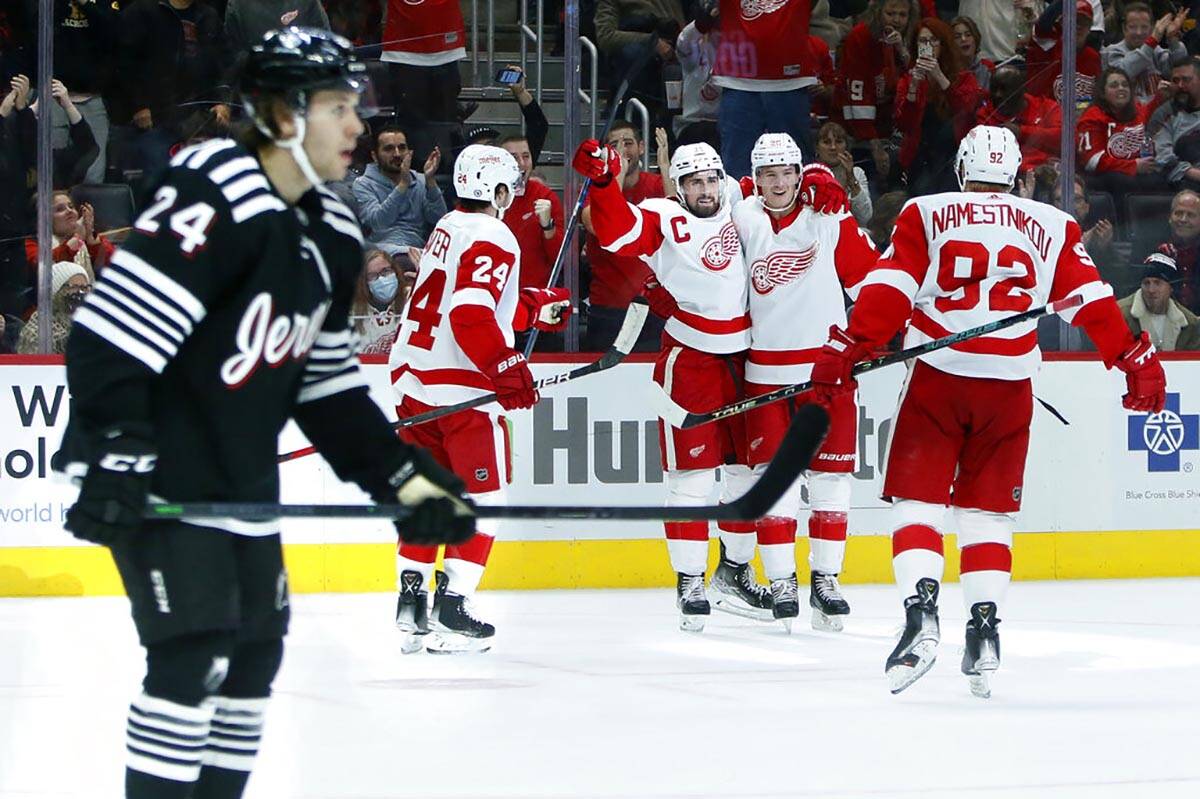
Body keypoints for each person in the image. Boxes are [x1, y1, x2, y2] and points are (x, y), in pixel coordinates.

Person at [53, 29, 475, 798]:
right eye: (340, 109)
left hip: (240, 482)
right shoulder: (219, 184)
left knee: (251, 659)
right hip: (160, 468)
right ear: (283, 113)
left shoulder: (333, 228)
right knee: (192, 654)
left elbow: (328, 389)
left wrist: (402, 477)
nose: (357, 128)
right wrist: (114, 448)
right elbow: (111, 334)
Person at [810, 125, 1167, 699]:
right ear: (1018, 173)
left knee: (918, 502)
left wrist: (846, 349)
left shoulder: (926, 213)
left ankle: (921, 614)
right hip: (1008, 388)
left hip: (940, 379)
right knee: (988, 517)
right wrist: (1134, 358)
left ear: (961, 169)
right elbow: (1090, 301)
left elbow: (891, 291)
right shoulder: (1051, 223)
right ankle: (984, 632)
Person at [389, 144, 570, 653]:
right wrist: (507, 367)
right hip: (461, 391)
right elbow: (470, 316)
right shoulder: (496, 233)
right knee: (486, 500)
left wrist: (528, 308)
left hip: (413, 381)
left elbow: (459, 300)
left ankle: (412, 602)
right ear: (496, 189)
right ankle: (454, 604)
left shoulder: (449, 225)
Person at [575, 138, 750, 631]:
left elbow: (790, 203)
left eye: (711, 178)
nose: (705, 189)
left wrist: (827, 196)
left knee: (744, 472)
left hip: (744, 358)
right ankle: (690, 579)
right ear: (678, 185)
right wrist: (607, 183)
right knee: (692, 482)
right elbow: (615, 231)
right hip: (690, 359)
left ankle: (734, 571)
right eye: (693, 181)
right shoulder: (662, 217)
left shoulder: (745, 205)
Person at [731, 133, 877, 631]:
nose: (778, 183)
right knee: (778, 481)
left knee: (832, 481)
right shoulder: (743, 216)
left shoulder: (830, 216)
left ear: (797, 173)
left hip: (826, 373)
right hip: (766, 374)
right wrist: (821, 175)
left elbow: (869, 283)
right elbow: (710, 203)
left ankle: (826, 579)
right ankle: (781, 581)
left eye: (788, 172)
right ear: (757, 177)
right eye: (768, 174)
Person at [581, 121, 667, 352]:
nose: (622, 149)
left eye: (627, 143)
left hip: (654, 308)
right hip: (608, 309)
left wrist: (666, 167)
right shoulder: (593, 188)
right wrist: (614, 174)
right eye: (614, 145)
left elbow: (679, 223)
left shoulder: (657, 184)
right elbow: (598, 225)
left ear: (640, 147)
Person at [894, 18, 984, 196]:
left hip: (954, 157)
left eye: (934, 40)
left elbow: (966, 112)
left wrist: (941, 78)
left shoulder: (965, 77)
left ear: (944, 44)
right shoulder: (908, 80)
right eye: (923, 41)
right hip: (920, 158)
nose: (929, 45)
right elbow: (903, 124)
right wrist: (913, 87)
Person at [834, 0, 919, 184]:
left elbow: (915, 79)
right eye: (891, 13)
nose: (896, 20)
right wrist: (874, 144)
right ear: (878, 11)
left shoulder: (912, 37)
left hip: (892, 127)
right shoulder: (861, 37)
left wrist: (901, 50)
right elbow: (857, 93)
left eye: (902, 15)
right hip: (858, 130)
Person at [352, 122, 446, 253]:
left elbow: (439, 219)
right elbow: (377, 222)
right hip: (382, 252)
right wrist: (402, 186)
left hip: (417, 251)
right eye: (388, 149)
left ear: (409, 152)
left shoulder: (420, 180)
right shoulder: (363, 184)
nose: (397, 154)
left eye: (402, 148)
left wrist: (430, 180)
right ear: (375, 156)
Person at [1077, 67, 1167, 195]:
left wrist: (1161, 96)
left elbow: (1149, 111)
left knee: (1159, 180)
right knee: (1121, 181)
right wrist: (1132, 166)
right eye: (1114, 85)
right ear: (1103, 93)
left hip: (1135, 172)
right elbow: (1092, 161)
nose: (1121, 88)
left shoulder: (1137, 110)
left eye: (1125, 85)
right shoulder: (1092, 118)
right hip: (1104, 177)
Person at [499, 134, 565, 292]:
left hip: (533, 297)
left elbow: (560, 260)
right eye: (513, 157)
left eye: (526, 156)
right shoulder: (486, 197)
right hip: (495, 294)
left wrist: (548, 227)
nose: (521, 163)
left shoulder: (546, 197)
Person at [976, 65, 1062, 173]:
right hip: (1008, 177)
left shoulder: (1046, 108)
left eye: (1004, 89)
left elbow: (1064, 138)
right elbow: (988, 159)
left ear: (1021, 90)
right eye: (994, 89)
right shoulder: (985, 116)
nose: (998, 95)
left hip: (1050, 175)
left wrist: (1021, 131)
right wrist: (1031, 169)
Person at [1101, 4, 1188, 105]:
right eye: (1133, 27)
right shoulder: (1111, 52)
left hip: (1158, 115)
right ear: (1124, 29)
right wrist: (1152, 41)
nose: (1139, 32)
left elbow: (1178, 68)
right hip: (1126, 116)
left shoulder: (1155, 51)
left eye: (1144, 27)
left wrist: (1173, 39)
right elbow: (1123, 73)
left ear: (1151, 29)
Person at [1119, 247, 1200, 351]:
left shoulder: (1190, 324)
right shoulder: (1119, 315)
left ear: (1171, 288)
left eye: (1158, 283)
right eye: (1146, 283)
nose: (1151, 290)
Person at [1025, 1, 1101, 105]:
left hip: (1080, 117)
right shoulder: (1048, 44)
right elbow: (1043, 23)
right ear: (1062, 23)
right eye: (1073, 20)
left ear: (1089, 29)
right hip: (1043, 115)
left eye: (1083, 23)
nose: (1078, 26)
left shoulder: (1093, 57)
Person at [16, 261, 90, 354]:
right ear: (57, 291)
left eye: (84, 287)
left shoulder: (89, 325)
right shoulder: (39, 331)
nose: (80, 292)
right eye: (74, 287)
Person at [351, 248, 411, 355]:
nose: (382, 279)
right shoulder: (352, 311)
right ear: (364, 282)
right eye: (373, 276)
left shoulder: (412, 298)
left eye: (386, 271)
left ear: (395, 271)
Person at [815, 121, 872, 225]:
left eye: (839, 142)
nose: (833, 147)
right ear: (817, 148)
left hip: (849, 231)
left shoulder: (857, 173)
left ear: (846, 146)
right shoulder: (809, 174)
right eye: (827, 142)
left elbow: (866, 217)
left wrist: (851, 178)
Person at [950, 16, 993, 91]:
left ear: (976, 38)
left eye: (968, 35)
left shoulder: (987, 67)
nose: (963, 39)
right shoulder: (948, 68)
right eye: (957, 37)